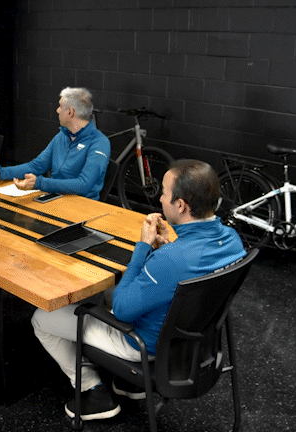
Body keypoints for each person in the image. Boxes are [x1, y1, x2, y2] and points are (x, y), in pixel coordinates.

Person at [31, 159, 246, 421]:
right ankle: (129, 384)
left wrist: (143, 247)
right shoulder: (233, 241)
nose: (161, 199)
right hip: (194, 338)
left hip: (144, 345)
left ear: (180, 205)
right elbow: (187, 271)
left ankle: (92, 390)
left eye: (164, 192)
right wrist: (167, 247)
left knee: (42, 318)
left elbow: (122, 310)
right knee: (112, 290)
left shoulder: (171, 260)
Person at [0, 87, 109, 199]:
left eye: (60, 106)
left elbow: (84, 185)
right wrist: (0, 173)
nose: (57, 110)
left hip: (82, 206)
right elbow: (36, 166)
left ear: (70, 112)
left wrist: (39, 183)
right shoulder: (62, 136)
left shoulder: (99, 142)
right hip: (56, 199)